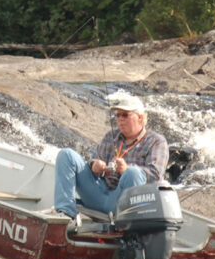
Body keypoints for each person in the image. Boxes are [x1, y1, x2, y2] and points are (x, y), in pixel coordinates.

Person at [53, 92, 168, 220]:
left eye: (125, 115)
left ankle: (127, 225)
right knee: (66, 155)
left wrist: (125, 169)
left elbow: (156, 175)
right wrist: (95, 165)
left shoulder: (157, 141)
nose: (120, 119)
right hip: (99, 193)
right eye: (118, 115)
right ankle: (66, 213)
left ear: (140, 118)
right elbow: (95, 159)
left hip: (124, 203)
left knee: (132, 173)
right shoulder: (111, 136)